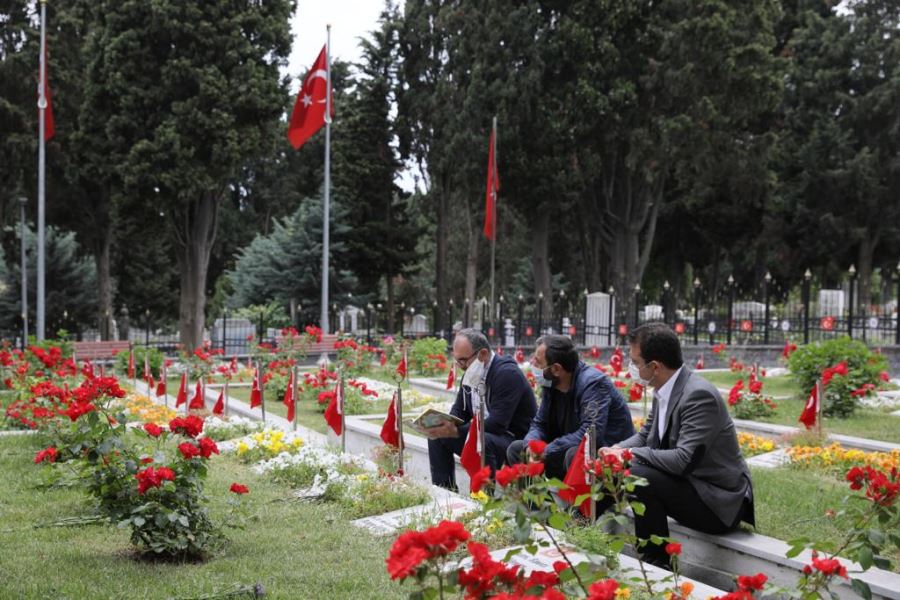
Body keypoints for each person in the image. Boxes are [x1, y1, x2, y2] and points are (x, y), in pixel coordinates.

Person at [602, 322, 754, 567]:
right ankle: (584, 530)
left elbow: (683, 460)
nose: (632, 368)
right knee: (613, 463)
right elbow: (644, 436)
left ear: (655, 366)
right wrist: (616, 449)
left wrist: (630, 454)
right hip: (689, 486)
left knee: (639, 474)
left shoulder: (698, 395)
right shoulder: (664, 388)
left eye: (636, 363)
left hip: (717, 502)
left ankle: (656, 563)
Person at [507, 335, 634, 480]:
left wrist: (547, 450)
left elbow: (590, 435)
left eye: (538, 361)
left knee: (573, 455)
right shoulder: (551, 383)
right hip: (568, 444)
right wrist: (531, 446)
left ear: (556, 369)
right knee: (518, 449)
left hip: (605, 451)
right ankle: (534, 502)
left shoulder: (593, 384)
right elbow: (540, 423)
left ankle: (573, 502)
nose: (532, 363)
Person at [426, 328, 537, 490]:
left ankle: (484, 497)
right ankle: (445, 491)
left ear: (483, 354)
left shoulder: (507, 373)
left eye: (463, 361)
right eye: (457, 361)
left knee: (483, 440)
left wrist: (457, 431)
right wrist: (447, 423)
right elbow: (460, 410)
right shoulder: (472, 371)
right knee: (437, 434)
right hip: (483, 434)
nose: (461, 367)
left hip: (513, 441)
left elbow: (498, 423)